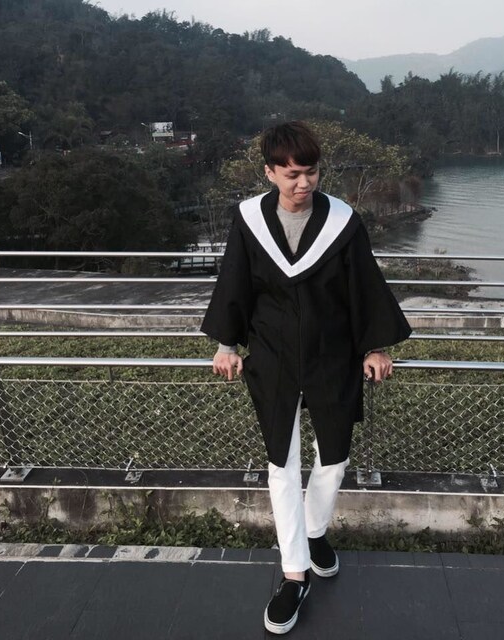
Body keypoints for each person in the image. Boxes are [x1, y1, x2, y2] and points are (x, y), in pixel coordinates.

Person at [202, 121, 411, 634]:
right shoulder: (249, 220)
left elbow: (364, 284)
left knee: (334, 456)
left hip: (332, 355)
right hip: (273, 356)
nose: (304, 183)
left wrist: (375, 345)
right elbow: (235, 282)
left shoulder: (342, 221)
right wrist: (227, 345)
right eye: (292, 174)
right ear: (269, 172)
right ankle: (294, 573)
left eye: (311, 172)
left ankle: (315, 531)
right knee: (281, 463)